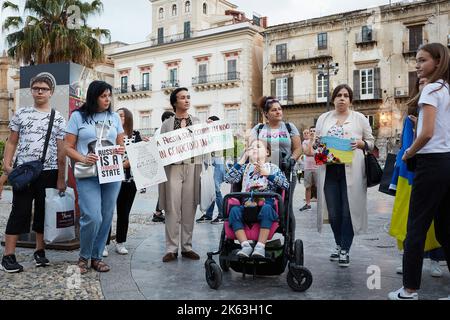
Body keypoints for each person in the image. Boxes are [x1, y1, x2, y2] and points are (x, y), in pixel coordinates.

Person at [389, 43, 450, 300]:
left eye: (422, 60)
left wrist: (408, 152)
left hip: (430, 163)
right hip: (447, 161)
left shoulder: (430, 89)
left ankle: (409, 289)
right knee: (446, 228)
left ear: (438, 62)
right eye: (416, 60)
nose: (417, 65)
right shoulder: (446, 89)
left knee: (416, 228)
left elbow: (427, 134)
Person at [1, 73, 67, 273]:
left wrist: (61, 178)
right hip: (23, 171)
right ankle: (8, 256)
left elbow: (61, 151)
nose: (40, 91)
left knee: (42, 213)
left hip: (48, 171)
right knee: (19, 211)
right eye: (36, 88)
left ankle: (40, 251)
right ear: (31, 90)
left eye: (44, 89)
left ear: (51, 92)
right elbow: (12, 141)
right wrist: (6, 165)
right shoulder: (21, 114)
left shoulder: (58, 117)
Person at [65, 80, 125, 274]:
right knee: (92, 216)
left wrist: (122, 151)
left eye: (109, 96)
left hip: (112, 173)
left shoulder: (114, 117)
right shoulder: (78, 117)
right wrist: (83, 157)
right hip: (87, 173)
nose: (107, 99)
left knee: (106, 216)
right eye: (103, 96)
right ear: (93, 96)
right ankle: (84, 256)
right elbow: (67, 147)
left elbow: (121, 143)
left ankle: (96, 257)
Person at [312, 84, 375, 268]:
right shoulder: (323, 118)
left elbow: (371, 143)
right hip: (329, 171)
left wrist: (360, 143)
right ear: (333, 99)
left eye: (346, 95)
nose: (342, 98)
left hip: (352, 171)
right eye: (338, 95)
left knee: (349, 211)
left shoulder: (360, 118)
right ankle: (339, 244)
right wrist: (316, 143)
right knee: (334, 213)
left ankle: (345, 249)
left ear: (350, 99)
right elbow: (316, 144)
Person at [224, 139, 289, 258]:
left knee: (267, 209)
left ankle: (260, 247)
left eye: (258, 146)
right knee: (234, 211)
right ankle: (245, 246)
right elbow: (228, 178)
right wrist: (243, 159)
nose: (253, 149)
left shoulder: (273, 168)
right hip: (246, 204)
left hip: (266, 204)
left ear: (267, 152)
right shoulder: (244, 168)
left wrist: (268, 175)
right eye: (251, 147)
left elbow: (285, 185)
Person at [158, 87, 202, 263]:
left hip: (192, 167)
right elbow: (161, 148)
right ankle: (171, 248)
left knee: (189, 207)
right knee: (172, 207)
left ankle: (187, 246)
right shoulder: (167, 124)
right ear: (175, 102)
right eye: (182, 98)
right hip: (173, 168)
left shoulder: (197, 121)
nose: (186, 100)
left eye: (188, 97)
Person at [250, 96, 301, 234]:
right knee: (261, 202)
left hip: (285, 170)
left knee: (286, 205)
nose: (278, 112)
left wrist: (292, 159)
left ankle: (288, 236)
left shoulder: (289, 127)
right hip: (263, 171)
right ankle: (261, 231)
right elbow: (252, 146)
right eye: (274, 110)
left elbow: (298, 148)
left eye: (279, 109)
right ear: (266, 114)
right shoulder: (259, 128)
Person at [103, 107, 142, 257]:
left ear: (128, 118)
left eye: (122, 116)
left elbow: (140, 153)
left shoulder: (136, 135)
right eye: (117, 115)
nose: (119, 118)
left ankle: (120, 242)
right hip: (112, 178)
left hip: (129, 180)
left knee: (124, 213)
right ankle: (104, 243)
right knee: (107, 212)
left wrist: (127, 164)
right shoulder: (109, 134)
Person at [196, 115, 225, 224]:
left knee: (216, 190)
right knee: (209, 189)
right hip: (209, 163)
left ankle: (222, 215)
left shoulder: (219, 135)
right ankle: (208, 215)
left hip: (217, 163)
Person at [152, 110, 175, 223]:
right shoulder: (162, 130)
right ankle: (166, 214)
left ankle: (158, 212)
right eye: (172, 119)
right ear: (166, 119)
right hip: (166, 164)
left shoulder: (160, 131)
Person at [299, 127, 318, 212]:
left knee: (319, 187)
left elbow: (318, 153)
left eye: (314, 131)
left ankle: (321, 204)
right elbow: (307, 153)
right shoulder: (305, 142)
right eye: (311, 131)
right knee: (308, 187)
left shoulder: (319, 141)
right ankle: (308, 204)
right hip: (308, 167)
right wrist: (311, 141)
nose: (312, 132)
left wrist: (313, 153)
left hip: (318, 167)